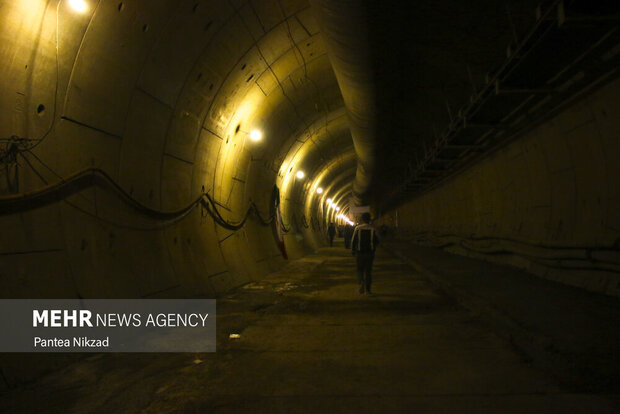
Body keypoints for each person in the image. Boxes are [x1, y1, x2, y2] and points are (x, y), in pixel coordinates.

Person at [351, 212, 379, 295]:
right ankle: (368, 290)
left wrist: (353, 250)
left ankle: (361, 282)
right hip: (370, 253)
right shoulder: (373, 229)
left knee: (359, 270)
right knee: (368, 271)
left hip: (360, 253)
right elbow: (377, 241)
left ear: (362, 219)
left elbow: (353, 241)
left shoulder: (357, 228)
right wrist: (373, 249)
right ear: (369, 219)